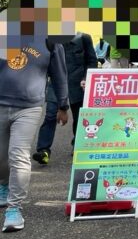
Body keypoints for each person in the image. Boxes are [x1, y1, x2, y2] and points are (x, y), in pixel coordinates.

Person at [1, 35, 69, 232]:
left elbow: (59, 74)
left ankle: (14, 209)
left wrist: (63, 104)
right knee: (1, 156)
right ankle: (4, 183)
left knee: (18, 154)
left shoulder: (50, 40)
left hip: (29, 107)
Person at [32, 31, 97, 163]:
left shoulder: (84, 38)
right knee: (50, 115)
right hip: (55, 85)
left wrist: (86, 78)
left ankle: (77, 145)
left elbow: (92, 61)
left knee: (79, 117)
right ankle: (43, 150)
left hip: (78, 85)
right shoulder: (49, 40)